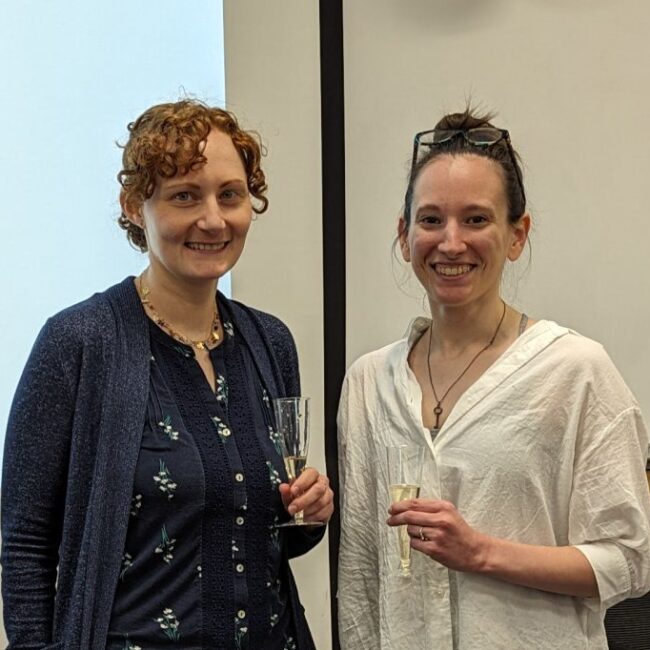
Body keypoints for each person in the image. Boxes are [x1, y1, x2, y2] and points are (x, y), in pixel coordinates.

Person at [2, 99, 333, 650]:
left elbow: (260, 535)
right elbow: (26, 542)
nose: (213, 218)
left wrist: (308, 513)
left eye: (230, 195)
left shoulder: (270, 342)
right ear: (135, 206)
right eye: (185, 196)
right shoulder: (77, 343)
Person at [337, 107, 650, 649]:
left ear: (516, 235)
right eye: (431, 219)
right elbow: (363, 576)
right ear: (404, 235)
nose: (451, 242)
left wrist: (480, 552)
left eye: (476, 219)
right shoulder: (369, 384)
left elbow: (629, 559)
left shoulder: (575, 371)